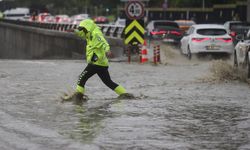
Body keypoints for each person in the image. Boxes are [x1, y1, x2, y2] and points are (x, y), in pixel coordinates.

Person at [62, 19, 133, 102]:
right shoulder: (89, 33)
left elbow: (103, 42)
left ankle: (78, 97)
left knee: (81, 78)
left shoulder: (96, 34)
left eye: (82, 29)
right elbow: (81, 33)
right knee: (108, 82)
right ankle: (125, 94)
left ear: (86, 28)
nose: (81, 31)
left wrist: (108, 50)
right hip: (102, 64)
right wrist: (74, 30)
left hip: (96, 62)